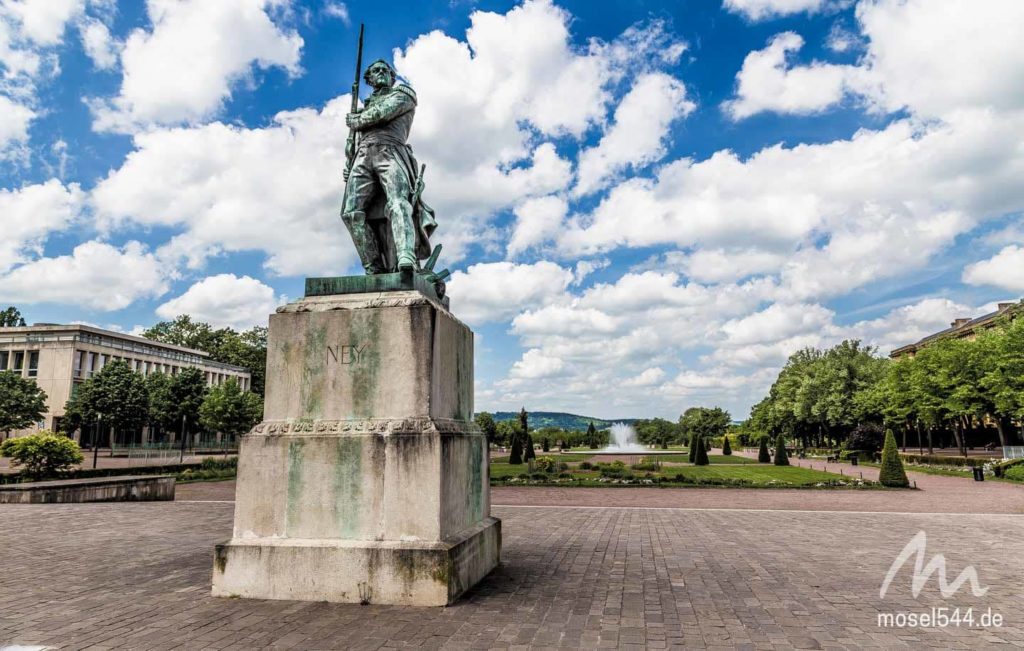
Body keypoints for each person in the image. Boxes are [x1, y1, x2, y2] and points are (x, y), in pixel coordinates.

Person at [341, 58, 436, 274]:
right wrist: (351, 160)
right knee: (350, 212)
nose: (381, 72)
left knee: (398, 202)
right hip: (363, 156)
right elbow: (356, 140)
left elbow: (382, 113)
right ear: (369, 79)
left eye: (386, 70)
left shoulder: (403, 94)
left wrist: (356, 120)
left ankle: (406, 256)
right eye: (376, 70)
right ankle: (373, 266)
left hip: (390, 151)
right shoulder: (365, 106)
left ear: (393, 77)